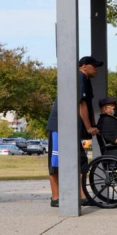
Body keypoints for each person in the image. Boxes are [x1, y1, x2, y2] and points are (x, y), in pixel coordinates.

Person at [46, 56, 101, 208]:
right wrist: (89, 127)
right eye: (94, 66)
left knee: (83, 160)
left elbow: (88, 105)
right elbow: (81, 104)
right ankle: (56, 197)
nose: (96, 69)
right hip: (60, 126)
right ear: (84, 66)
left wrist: (91, 127)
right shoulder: (79, 77)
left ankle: (83, 196)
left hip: (76, 128)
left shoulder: (86, 80)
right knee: (56, 163)